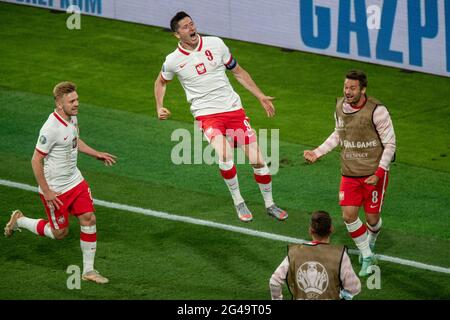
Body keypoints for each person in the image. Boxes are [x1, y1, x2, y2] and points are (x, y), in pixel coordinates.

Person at [154, 11, 287, 222]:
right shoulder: (173, 60)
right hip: (207, 115)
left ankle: (270, 204)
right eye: (186, 27)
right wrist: (159, 106)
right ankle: (238, 201)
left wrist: (260, 96)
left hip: (233, 110)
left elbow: (238, 72)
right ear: (177, 34)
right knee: (225, 154)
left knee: (258, 160)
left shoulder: (216, 44)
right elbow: (161, 82)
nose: (192, 28)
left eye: (192, 24)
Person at [4, 81, 117, 284]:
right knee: (59, 233)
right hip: (56, 190)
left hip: (75, 180)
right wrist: (47, 191)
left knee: (89, 218)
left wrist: (95, 154)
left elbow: (74, 140)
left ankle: (89, 270)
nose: (76, 104)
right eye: (71, 101)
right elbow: (36, 160)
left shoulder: (72, 118)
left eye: (77, 99)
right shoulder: (50, 129)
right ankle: (19, 220)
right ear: (59, 104)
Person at [303, 70, 396, 276]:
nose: (348, 91)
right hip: (350, 172)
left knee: (372, 220)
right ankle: (367, 255)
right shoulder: (339, 107)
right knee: (348, 215)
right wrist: (317, 152)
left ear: (363, 89)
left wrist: (379, 173)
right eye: (346, 87)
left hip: (373, 173)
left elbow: (390, 144)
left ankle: (370, 241)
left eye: (353, 88)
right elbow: (338, 134)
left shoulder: (377, 111)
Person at [269, 211, 361, 300]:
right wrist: (343, 296)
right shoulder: (340, 255)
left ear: (310, 230)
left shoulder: (294, 253)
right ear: (331, 229)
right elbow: (354, 288)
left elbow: (274, 281)